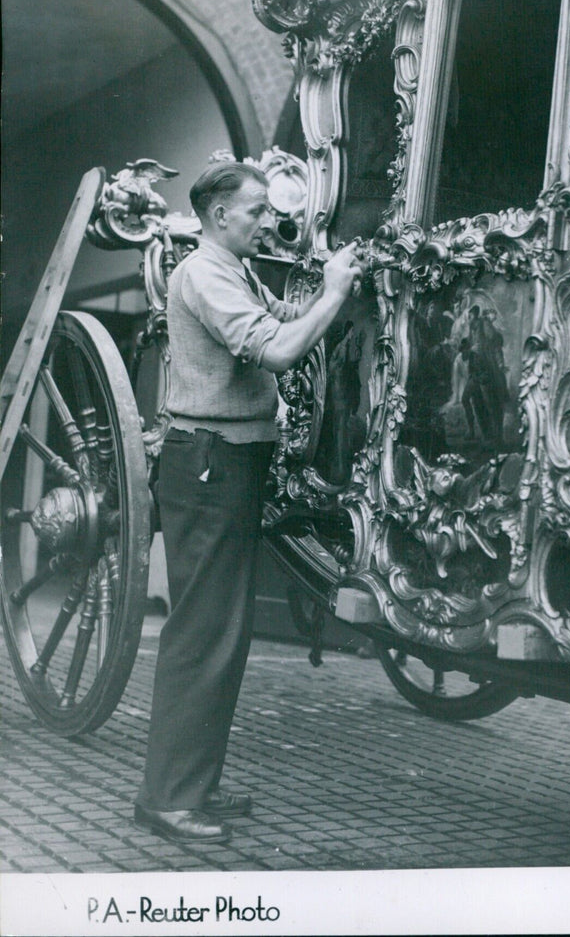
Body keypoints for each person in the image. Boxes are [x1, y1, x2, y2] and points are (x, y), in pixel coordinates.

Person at [134, 161, 362, 845]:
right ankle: (166, 798)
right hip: (210, 463)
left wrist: (324, 290)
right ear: (218, 215)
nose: (272, 220)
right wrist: (335, 292)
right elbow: (280, 349)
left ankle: (193, 784)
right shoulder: (206, 273)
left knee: (223, 635)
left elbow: (279, 320)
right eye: (257, 210)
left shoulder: (232, 268)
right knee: (202, 633)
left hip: (228, 462)